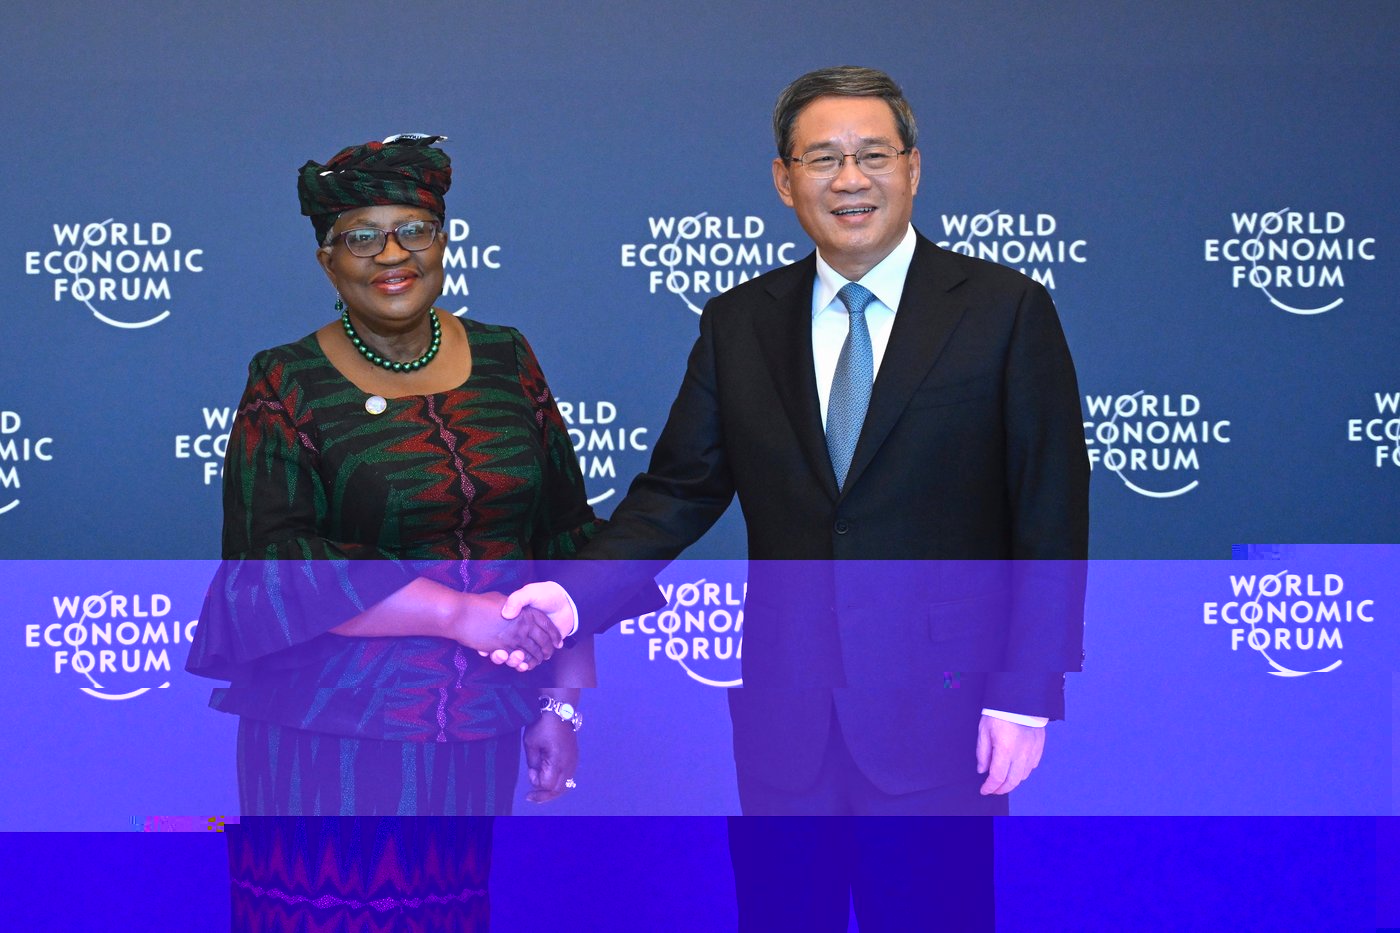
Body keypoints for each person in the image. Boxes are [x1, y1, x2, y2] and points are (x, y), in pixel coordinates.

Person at [505, 67, 1089, 930]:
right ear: (785, 180)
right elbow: (678, 489)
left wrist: (1025, 690)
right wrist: (568, 597)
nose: (850, 179)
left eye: (873, 155)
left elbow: (1049, 514)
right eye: (823, 159)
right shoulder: (739, 321)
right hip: (786, 719)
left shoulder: (1005, 311)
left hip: (944, 712)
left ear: (914, 167)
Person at [186, 134, 613, 930]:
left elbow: (562, 533)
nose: (391, 254)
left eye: (413, 230)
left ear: (442, 241)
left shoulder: (508, 358)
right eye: (361, 237)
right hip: (325, 733)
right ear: (327, 261)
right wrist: (458, 613)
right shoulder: (285, 379)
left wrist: (562, 701)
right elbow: (274, 563)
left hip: (474, 727)